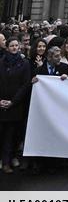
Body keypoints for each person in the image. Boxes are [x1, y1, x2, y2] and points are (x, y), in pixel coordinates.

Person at [0, 38, 32, 174]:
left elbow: (25, 85)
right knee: (2, 134)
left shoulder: (24, 63)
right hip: (1, 104)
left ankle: (9, 160)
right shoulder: (1, 63)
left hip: (16, 105)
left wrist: (13, 101)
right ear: (7, 47)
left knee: (13, 134)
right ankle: (4, 160)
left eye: (16, 46)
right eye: (11, 46)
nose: (14, 48)